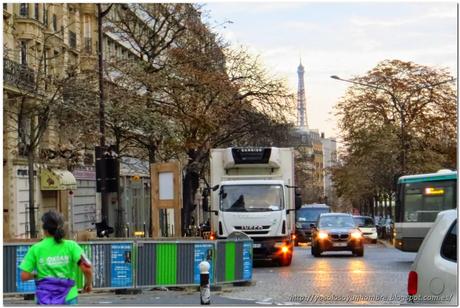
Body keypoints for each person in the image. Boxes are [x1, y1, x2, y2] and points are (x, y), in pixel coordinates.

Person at [19, 210, 93, 305]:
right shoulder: (72, 246)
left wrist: (36, 275)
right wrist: (88, 284)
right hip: (68, 297)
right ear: (61, 227)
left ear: (44, 229)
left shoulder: (35, 249)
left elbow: (24, 276)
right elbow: (87, 268)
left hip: (44, 299)